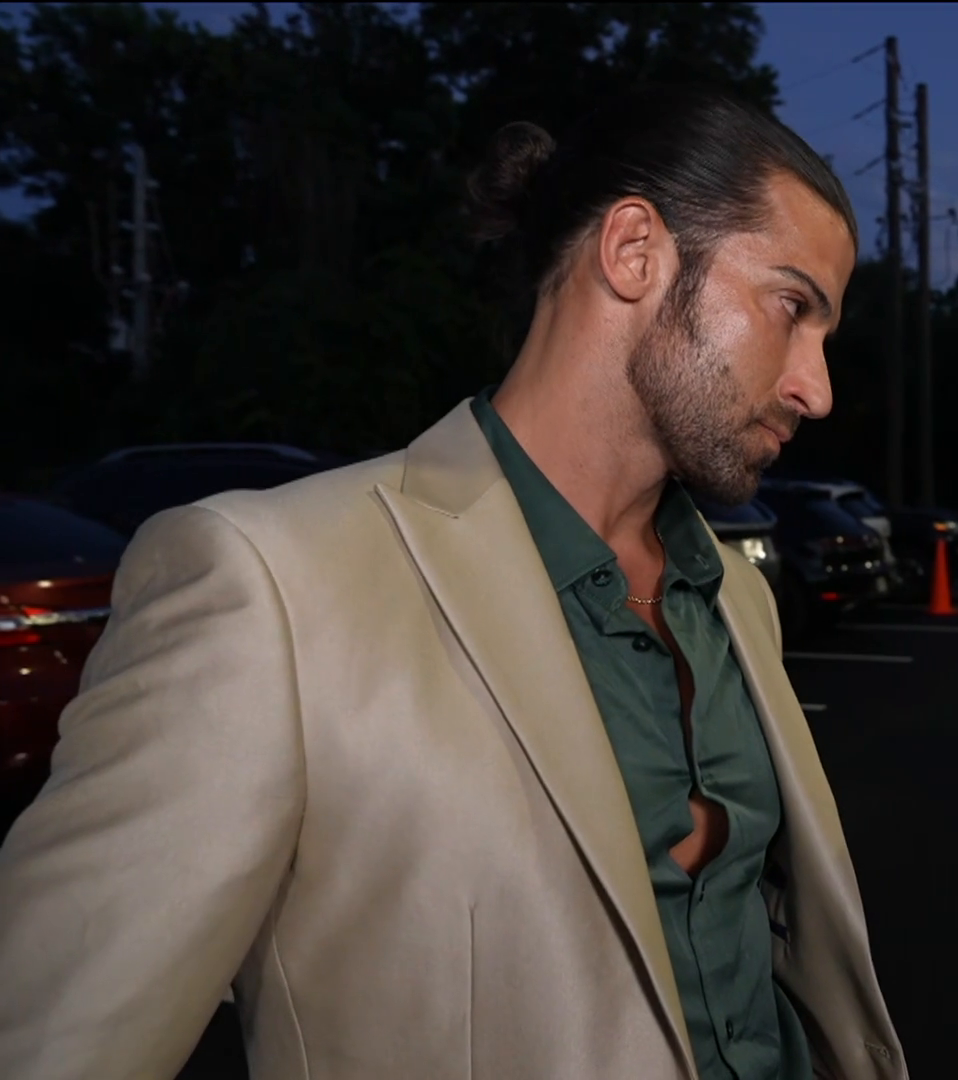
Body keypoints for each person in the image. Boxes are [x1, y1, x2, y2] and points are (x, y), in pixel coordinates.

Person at [0, 83, 907, 1080]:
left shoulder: (738, 595)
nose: (817, 388)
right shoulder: (270, 588)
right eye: (792, 308)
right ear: (634, 252)